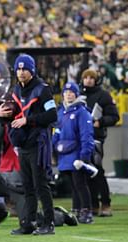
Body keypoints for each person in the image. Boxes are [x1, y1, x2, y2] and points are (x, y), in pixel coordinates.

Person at [0, 54, 57, 235]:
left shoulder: (43, 90)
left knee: (41, 184)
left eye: (25, 69)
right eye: (19, 69)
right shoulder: (16, 90)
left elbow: (52, 115)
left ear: (32, 70)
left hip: (38, 143)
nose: (21, 72)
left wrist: (28, 120)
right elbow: (14, 115)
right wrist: (1, 115)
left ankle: (49, 223)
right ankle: (29, 222)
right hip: (23, 144)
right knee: (27, 185)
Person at [53, 82, 95, 224]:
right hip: (64, 154)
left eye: (71, 92)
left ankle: (86, 211)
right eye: (66, 92)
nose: (68, 94)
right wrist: (53, 147)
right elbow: (57, 132)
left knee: (80, 183)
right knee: (73, 185)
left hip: (77, 154)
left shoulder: (82, 112)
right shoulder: (61, 112)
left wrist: (84, 155)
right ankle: (76, 210)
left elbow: (86, 135)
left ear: (77, 94)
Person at [80, 69, 119, 217]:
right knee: (85, 172)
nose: (88, 80)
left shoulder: (103, 95)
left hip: (95, 138)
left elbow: (114, 117)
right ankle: (93, 204)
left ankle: (106, 203)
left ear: (96, 80)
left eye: (91, 78)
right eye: (86, 77)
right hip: (81, 138)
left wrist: (100, 122)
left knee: (97, 170)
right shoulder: (78, 95)